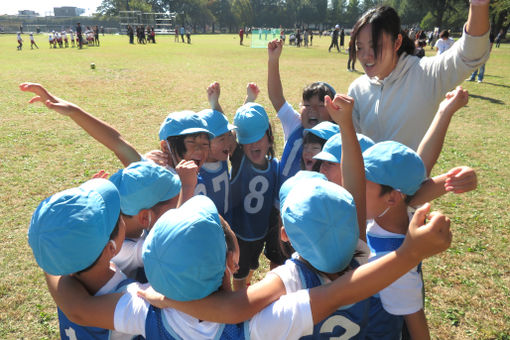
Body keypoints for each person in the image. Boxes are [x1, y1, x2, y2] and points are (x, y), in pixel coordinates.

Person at [45, 189, 452, 340]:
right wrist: (409, 254)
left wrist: (53, 257)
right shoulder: (262, 325)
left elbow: (77, 306)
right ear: (233, 257)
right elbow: (341, 291)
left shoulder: (141, 307)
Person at [347, 1, 491, 150]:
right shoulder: (357, 90)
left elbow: (471, 52)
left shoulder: (426, 74)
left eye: (375, 46)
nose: (365, 56)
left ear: (397, 43)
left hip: (415, 173)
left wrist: (478, 5)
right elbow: (353, 150)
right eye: (359, 47)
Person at [28, 178, 139, 340]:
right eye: (119, 215)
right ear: (110, 248)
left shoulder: (62, 276)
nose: (122, 218)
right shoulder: (130, 300)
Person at [267, 39, 336, 185]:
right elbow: (276, 97)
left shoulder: (336, 139)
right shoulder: (295, 124)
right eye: (307, 104)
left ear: (332, 113)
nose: (313, 110)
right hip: (280, 202)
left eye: (320, 105)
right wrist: (273, 60)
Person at [229, 96, 280, 290]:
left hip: (260, 233)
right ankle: (242, 307)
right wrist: (246, 101)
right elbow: (231, 132)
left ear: (270, 139)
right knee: (239, 275)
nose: (253, 144)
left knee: (252, 265)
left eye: (258, 137)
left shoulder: (274, 166)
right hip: (239, 235)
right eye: (247, 140)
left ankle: (247, 285)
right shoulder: (240, 160)